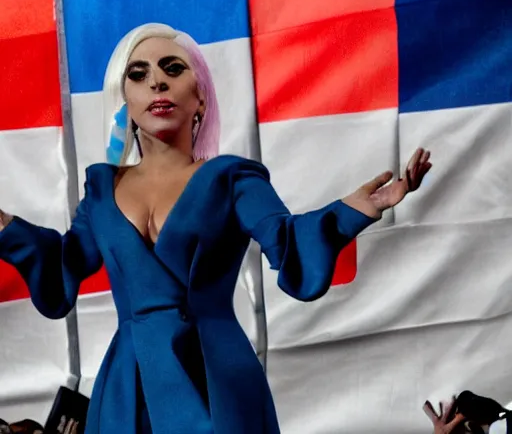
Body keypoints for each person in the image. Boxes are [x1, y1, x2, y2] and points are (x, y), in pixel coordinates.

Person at [0, 23, 432, 434]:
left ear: (200, 97)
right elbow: (60, 269)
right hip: (128, 386)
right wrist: (4, 226)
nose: (157, 83)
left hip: (216, 372)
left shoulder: (232, 178)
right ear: (125, 101)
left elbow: (288, 242)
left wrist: (355, 209)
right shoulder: (99, 191)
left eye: (173, 68)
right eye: (139, 74)